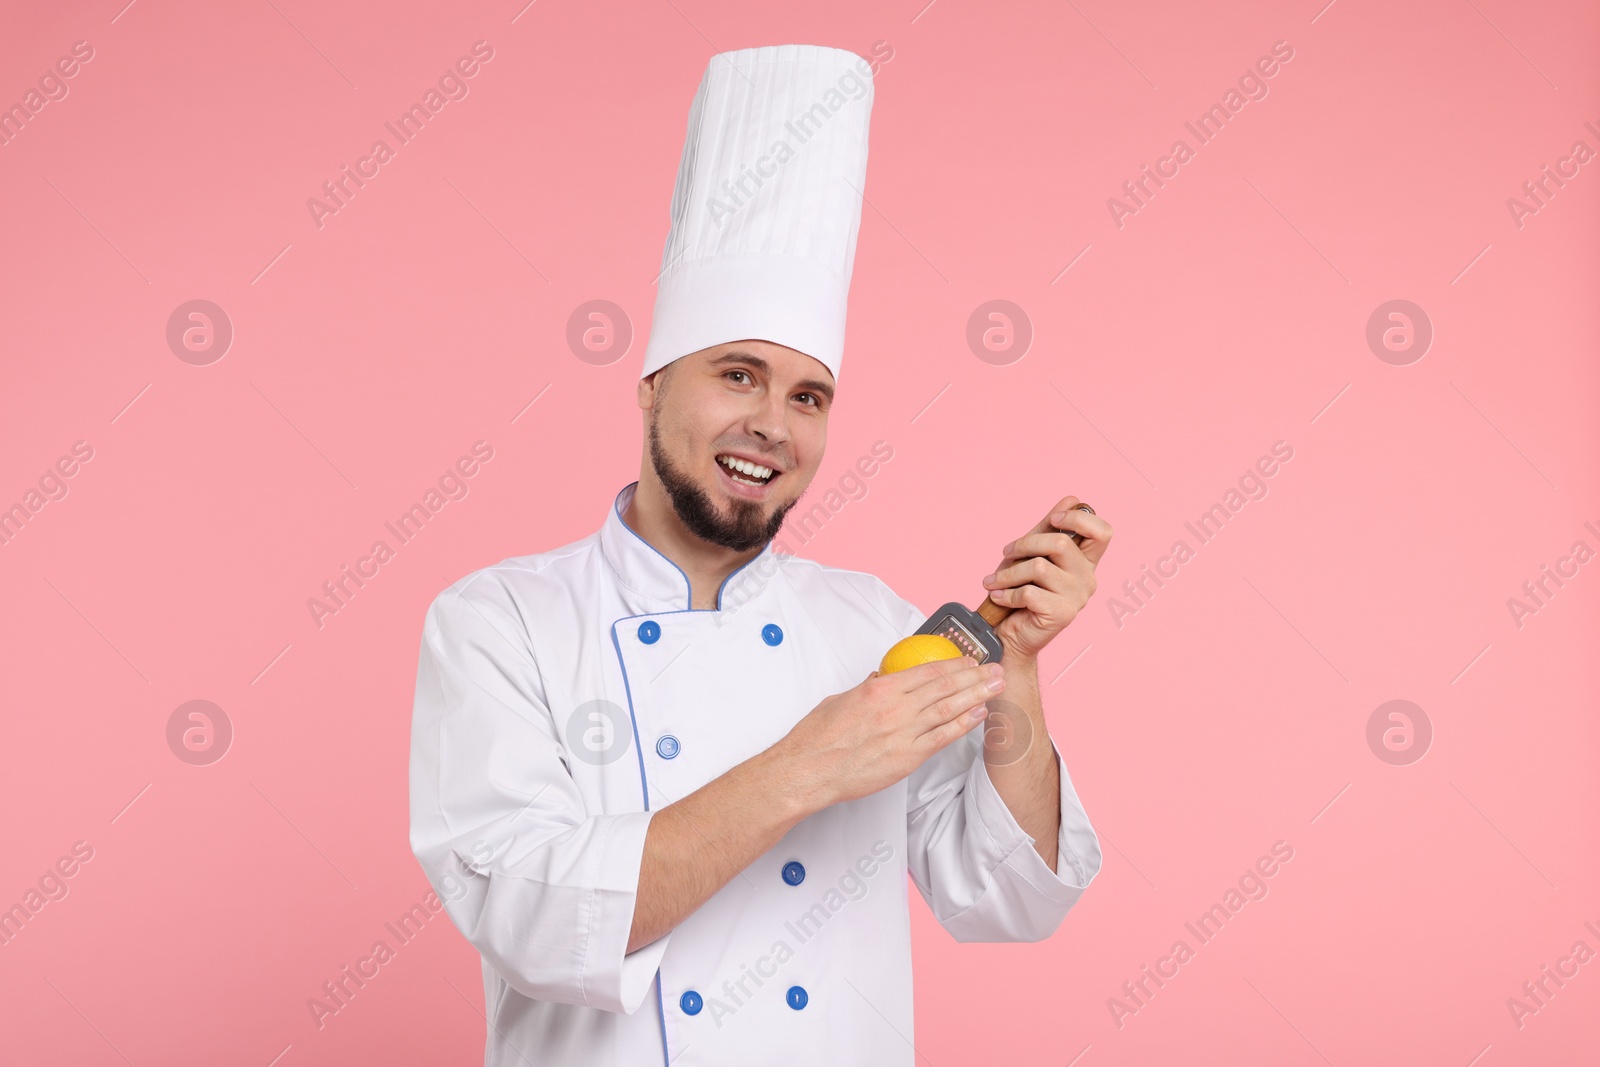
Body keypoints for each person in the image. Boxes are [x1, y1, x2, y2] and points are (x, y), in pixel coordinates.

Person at [409, 43, 1108, 1066]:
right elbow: (529, 918)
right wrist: (808, 763)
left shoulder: (871, 623)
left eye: (806, 395)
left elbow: (1004, 897)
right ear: (650, 385)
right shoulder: (498, 620)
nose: (772, 424)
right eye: (738, 374)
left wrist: (1019, 674)